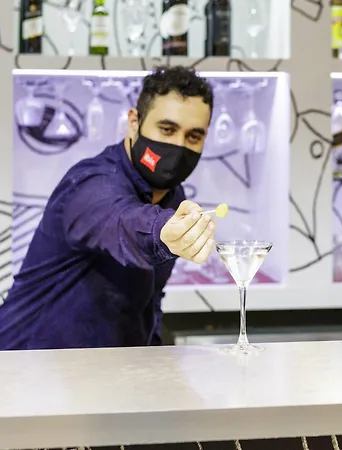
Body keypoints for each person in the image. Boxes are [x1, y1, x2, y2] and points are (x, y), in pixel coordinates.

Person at [0, 65, 215, 350]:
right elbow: (123, 222)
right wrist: (163, 231)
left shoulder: (174, 198)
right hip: (29, 364)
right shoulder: (90, 183)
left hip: (110, 368)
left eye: (193, 137)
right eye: (167, 129)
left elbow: (150, 299)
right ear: (134, 122)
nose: (178, 146)